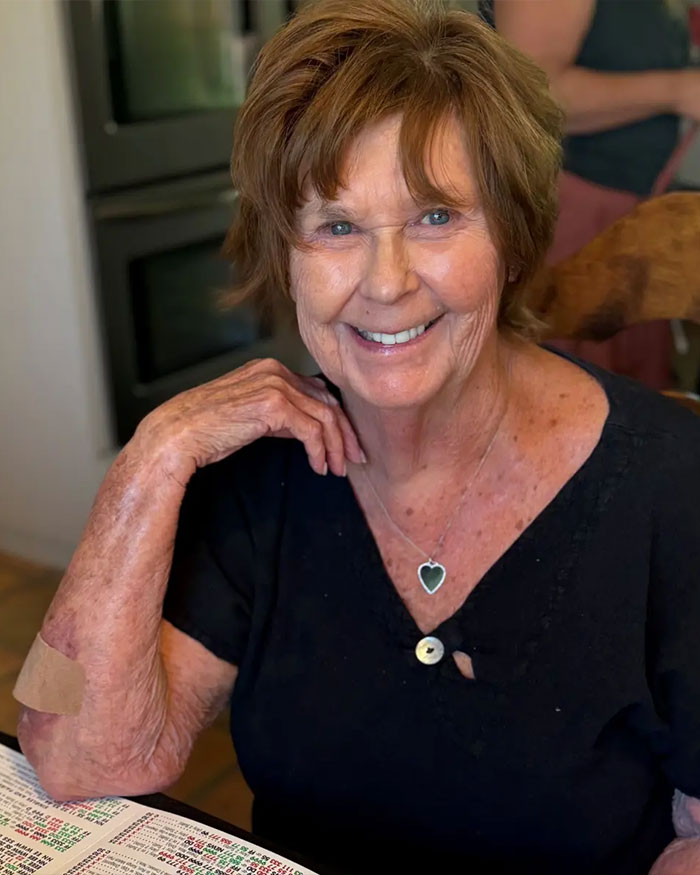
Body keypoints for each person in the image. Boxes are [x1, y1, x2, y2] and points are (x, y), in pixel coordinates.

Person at [15, 1, 700, 873]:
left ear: (514, 236)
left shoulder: (670, 488)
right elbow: (78, 759)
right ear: (285, 255)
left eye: (437, 218)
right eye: (337, 227)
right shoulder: (261, 473)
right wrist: (153, 456)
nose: (386, 282)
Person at [481, 0, 700, 390]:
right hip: (567, 213)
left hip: (628, 213)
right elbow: (531, 88)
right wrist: (677, 89)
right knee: (566, 387)